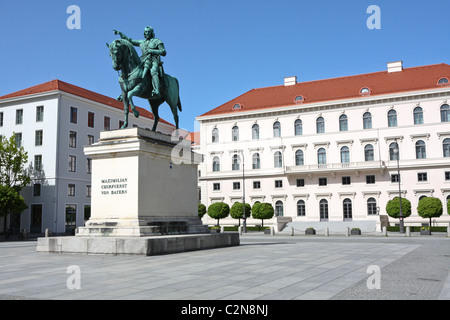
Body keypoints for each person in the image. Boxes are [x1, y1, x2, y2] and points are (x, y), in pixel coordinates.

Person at [114, 26, 166, 96]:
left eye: (148, 32)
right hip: (143, 60)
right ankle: (124, 92)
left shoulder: (157, 41)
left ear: (151, 33)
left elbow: (163, 52)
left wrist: (152, 50)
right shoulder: (142, 42)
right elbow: (130, 41)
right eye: (146, 32)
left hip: (154, 60)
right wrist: (121, 34)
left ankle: (157, 89)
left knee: (153, 71)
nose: (147, 33)